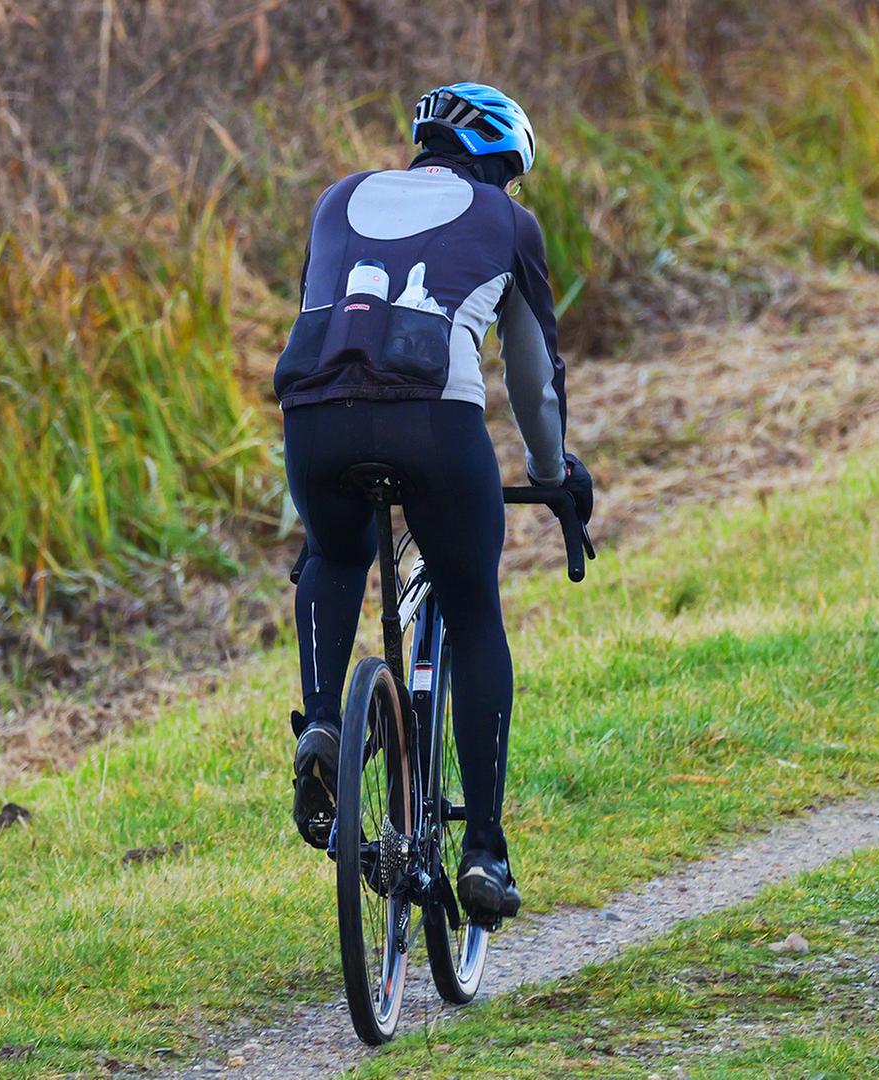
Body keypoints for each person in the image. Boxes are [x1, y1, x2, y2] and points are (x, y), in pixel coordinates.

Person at [275, 82, 592, 920]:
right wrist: (554, 474)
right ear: (498, 159)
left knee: (336, 552)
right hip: (431, 422)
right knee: (471, 604)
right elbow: (534, 379)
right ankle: (484, 849)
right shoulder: (506, 224)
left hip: (315, 417)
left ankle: (321, 720)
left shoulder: (338, 199)